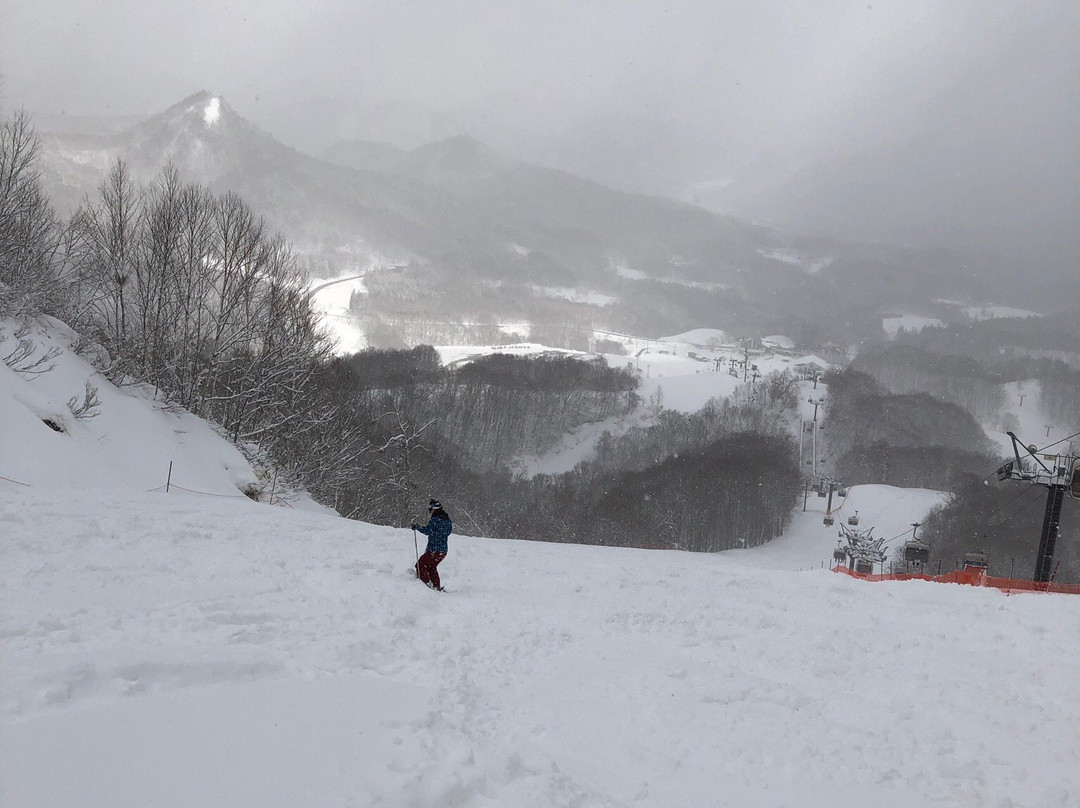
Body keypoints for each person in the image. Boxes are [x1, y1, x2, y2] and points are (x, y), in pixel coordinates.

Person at [412, 499, 452, 591]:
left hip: (434, 550)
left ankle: (427, 585)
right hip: (443, 551)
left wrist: (417, 527)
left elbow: (427, 531)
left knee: (420, 564)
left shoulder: (435, 519)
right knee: (431, 567)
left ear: (433, 509)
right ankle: (436, 586)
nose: (430, 511)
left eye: (430, 509)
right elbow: (448, 531)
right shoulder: (447, 519)